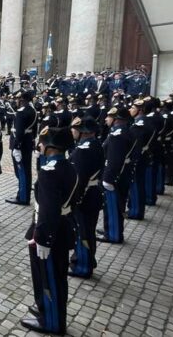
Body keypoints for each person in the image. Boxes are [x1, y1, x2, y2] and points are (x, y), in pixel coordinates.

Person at [21, 126, 78, 335]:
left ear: (51, 146)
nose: (40, 145)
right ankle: (46, 309)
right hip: (62, 227)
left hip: (51, 233)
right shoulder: (68, 165)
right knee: (56, 276)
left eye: (43, 142)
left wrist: (43, 239)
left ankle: (52, 322)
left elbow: (48, 209)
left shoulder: (50, 172)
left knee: (50, 277)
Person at [67, 117, 104, 279]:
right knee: (88, 230)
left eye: (76, 129)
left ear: (84, 132)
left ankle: (82, 265)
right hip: (93, 193)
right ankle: (88, 259)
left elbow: (79, 180)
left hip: (86, 196)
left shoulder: (83, 151)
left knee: (82, 231)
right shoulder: (94, 144)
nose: (72, 131)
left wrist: (76, 199)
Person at [99, 106, 134, 244]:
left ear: (116, 119)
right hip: (121, 174)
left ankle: (113, 234)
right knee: (114, 205)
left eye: (109, 117)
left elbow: (114, 159)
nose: (106, 119)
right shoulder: (123, 131)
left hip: (114, 177)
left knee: (113, 205)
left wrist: (108, 179)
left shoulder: (118, 135)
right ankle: (110, 229)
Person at [6, 91, 37, 206]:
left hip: (21, 144)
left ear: (22, 100)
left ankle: (23, 197)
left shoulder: (21, 112)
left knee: (21, 171)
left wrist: (16, 147)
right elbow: (35, 130)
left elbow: (19, 132)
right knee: (26, 170)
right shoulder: (33, 110)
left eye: (18, 99)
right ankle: (23, 194)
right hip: (28, 141)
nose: (17, 101)